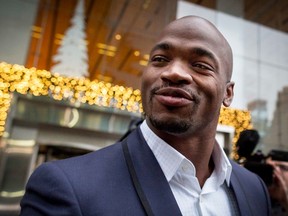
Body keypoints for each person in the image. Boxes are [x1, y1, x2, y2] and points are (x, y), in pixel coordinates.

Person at [20, 15, 271, 215]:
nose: (174, 72)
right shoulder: (66, 186)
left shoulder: (254, 190)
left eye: (200, 65)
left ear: (228, 93)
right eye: (160, 59)